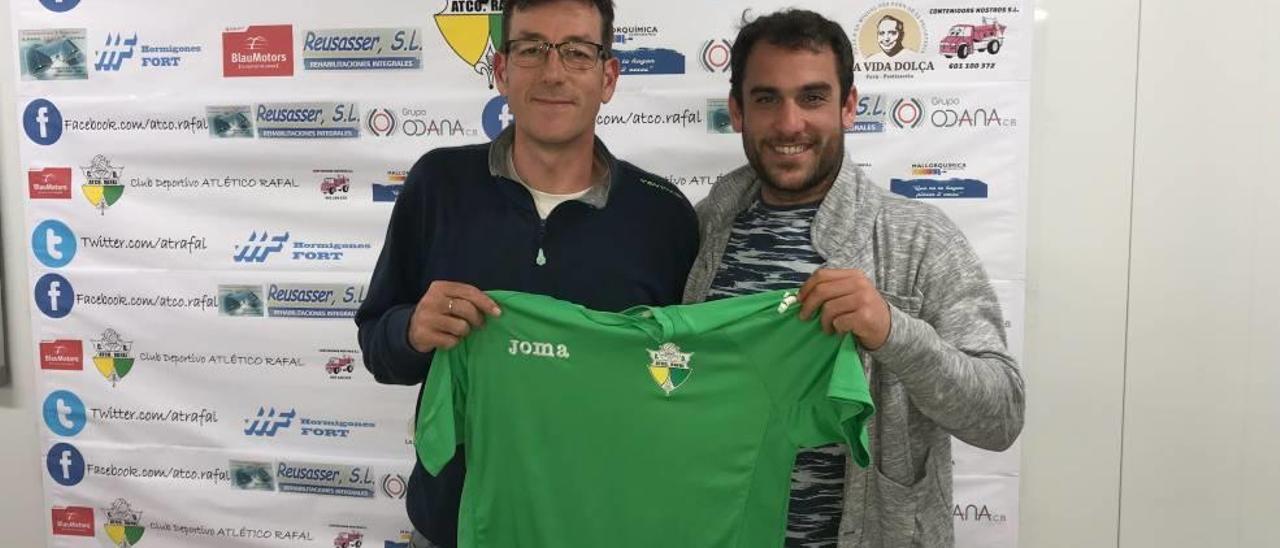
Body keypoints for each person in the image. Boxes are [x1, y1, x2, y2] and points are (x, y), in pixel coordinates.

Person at [354, 1, 698, 546]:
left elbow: (686, 377)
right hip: (454, 527)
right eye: (532, 49)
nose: (554, 72)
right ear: (501, 71)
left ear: (608, 77)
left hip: (603, 526)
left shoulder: (665, 216)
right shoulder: (437, 185)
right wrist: (410, 331)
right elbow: (376, 344)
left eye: (578, 53)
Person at [684, 9, 1025, 547]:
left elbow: (1000, 415)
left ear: (848, 107)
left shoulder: (919, 238)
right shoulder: (701, 232)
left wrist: (892, 331)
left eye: (813, 97)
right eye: (767, 98)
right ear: (737, 111)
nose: (790, 123)